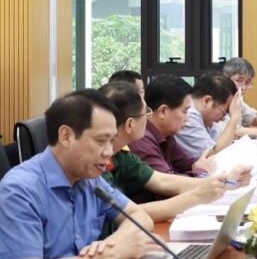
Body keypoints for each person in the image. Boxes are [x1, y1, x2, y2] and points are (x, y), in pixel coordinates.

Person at [0, 89, 157, 259]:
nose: (109, 152)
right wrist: (108, 255)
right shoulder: (20, 191)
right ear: (66, 136)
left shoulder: (89, 178)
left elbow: (139, 216)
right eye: (101, 140)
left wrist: (112, 245)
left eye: (112, 141)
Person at [99, 81, 251, 228]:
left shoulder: (122, 154)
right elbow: (128, 213)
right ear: (130, 124)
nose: (148, 118)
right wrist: (197, 196)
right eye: (145, 113)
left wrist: (226, 181)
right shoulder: (97, 163)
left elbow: (163, 181)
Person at [130, 74, 219, 177]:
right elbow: (166, 182)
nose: (187, 118)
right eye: (185, 111)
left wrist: (200, 166)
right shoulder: (142, 138)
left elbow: (188, 164)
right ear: (163, 111)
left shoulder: (167, 135)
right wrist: (200, 171)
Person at [175, 70, 243, 159]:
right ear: (207, 101)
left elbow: (217, 145)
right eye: (224, 112)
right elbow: (213, 155)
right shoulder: (188, 116)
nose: (223, 118)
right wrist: (235, 117)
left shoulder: (206, 118)